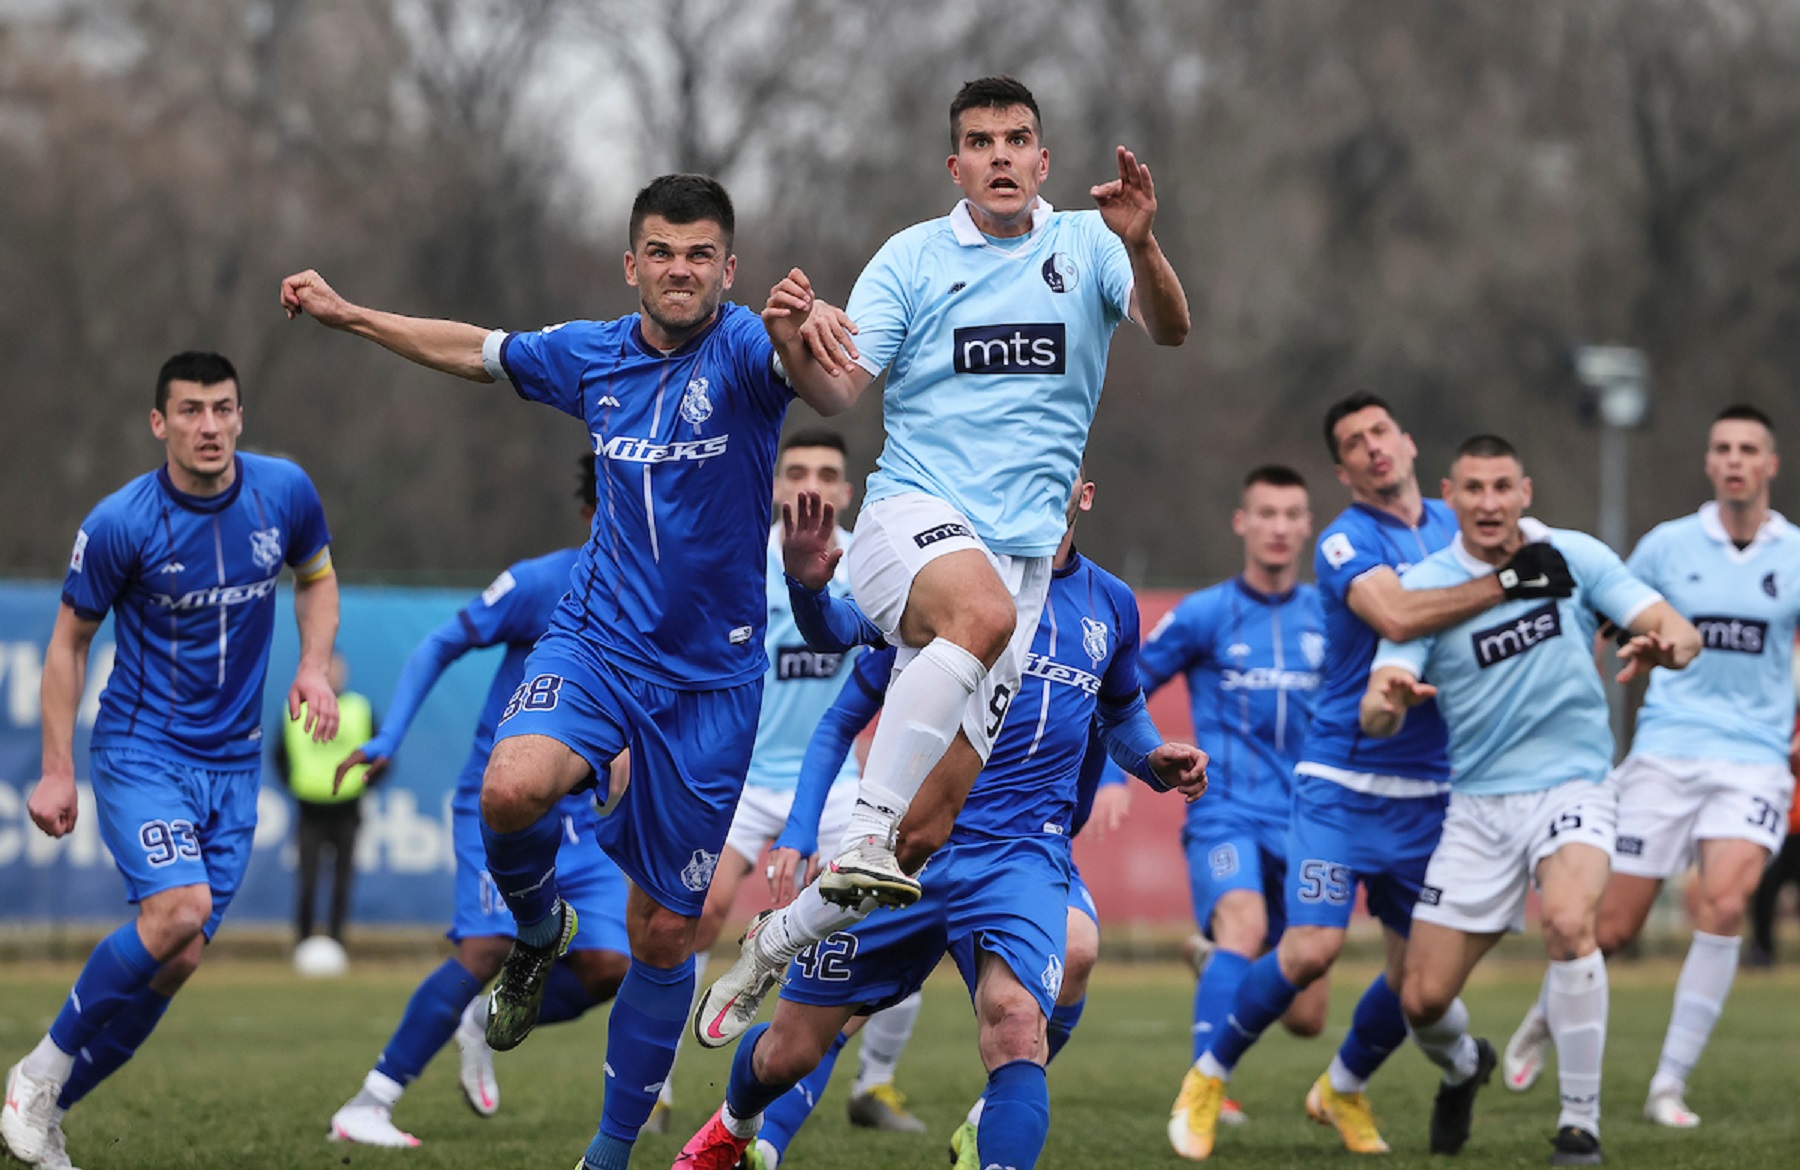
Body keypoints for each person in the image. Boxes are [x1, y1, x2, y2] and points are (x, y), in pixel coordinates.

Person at [278, 173, 859, 1170]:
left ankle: (609, 1153)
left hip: (710, 692)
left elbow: (831, 390)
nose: (681, 269)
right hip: (597, 646)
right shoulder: (589, 356)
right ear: (633, 263)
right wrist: (348, 314)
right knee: (510, 788)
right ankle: (536, 924)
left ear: (731, 267)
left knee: (663, 938)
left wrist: (809, 337)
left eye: (701, 254)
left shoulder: (749, 353)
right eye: (663, 253)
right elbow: (473, 349)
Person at [698, 71, 1192, 1048]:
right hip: (908, 525)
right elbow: (835, 395)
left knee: (929, 834)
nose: (1001, 155)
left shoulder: (1089, 246)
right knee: (976, 626)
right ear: (954, 164)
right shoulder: (914, 260)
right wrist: (796, 343)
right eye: (982, 140)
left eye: (1018, 139)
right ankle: (865, 830)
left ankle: (773, 943)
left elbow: (1171, 328)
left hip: (1016, 568)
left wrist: (1141, 241)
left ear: (1044, 161)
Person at [673, 471, 1208, 1170]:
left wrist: (1152, 760)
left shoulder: (1109, 603)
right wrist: (806, 588)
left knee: (1018, 1028)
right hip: (905, 851)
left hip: (1019, 855)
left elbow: (1122, 713)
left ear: (1083, 494)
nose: (1036, 491)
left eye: (1055, 479)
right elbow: (838, 632)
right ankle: (734, 1127)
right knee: (789, 1050)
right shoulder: (946, 577)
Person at [1168, 393, 1579, 1161]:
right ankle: (1207, 1076)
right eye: (1355, 442)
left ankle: (1344, 1088)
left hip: (1437, 790)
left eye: (1381, 432)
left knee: (1418, 977)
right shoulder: (1342, 540)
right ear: (1343, 468)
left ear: (1410, 443)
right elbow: (1394, 616)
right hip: (1342, 783)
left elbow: (1564, 578)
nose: (1372, 447)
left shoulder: (1466, 523)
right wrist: (1511, 584)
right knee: (1311, 952)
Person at [1, 352, 339, 1170]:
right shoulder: (121, 523)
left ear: (241, 415)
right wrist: (55, 767)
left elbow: (318, 578)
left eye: (222, 408)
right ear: (160, 425)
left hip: (235, 766)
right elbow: (66, 644)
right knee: (179, 909)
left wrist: (312, 665)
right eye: (189, 411)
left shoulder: (284, 492)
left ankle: (45, 1116)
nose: (209, 426)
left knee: (178, 956)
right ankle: (34, 1076)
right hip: (141, 750)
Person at [1361, 434, 1699, 1163]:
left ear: (1526, 493)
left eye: (1502, 488)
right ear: (1447, 496)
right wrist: (1388, 704)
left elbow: (1679, 631)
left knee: (1572, 924)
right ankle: (1464, 1066)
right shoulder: (1422, 584)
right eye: (1474, 489)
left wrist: (1662, 648)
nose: (1489, 503)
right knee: (1420, 999)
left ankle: (1581, 1127)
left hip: (1574, 783)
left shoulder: (1573, 556)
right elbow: (1375, 708)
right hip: (1478, 808)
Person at [1504, 403, 1800, 1128]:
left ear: (1770, 465)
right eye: (1722, 447)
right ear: (1708, 463)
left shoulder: (1794, 552)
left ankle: (1669, 1082)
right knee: (1610, 928)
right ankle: (1544, 1017)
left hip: (1754, 758)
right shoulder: (1667, 546)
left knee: (1725, 903)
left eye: (1748, 448)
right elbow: (1610, 611)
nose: (1734, 459)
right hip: (1665, 750)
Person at [324, 456, 632, 1148]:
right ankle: (368, 1104)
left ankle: (484, 1018)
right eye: (619, 507)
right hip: (508, 806)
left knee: (610, 966)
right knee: (490, 943)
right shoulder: (539, 582)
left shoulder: (659, 600)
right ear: (591, 515)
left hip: (587, 820)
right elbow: (442, 641)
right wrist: (391, 733)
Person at [652, 430, 926, 1137]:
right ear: (776, 487)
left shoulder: (876, 559)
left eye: (828, 473)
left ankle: (877, 1085)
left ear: (847, 489)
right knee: (695, 915)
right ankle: (655, 1083)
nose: (811, 483)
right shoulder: (739, 556)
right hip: (741, 777)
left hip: (838, 782)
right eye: (796, 471)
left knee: (894, 917)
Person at [1138, 465, 1330, 1128]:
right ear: (1242, 523)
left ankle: (1213, 957)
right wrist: (1116, 770)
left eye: (1291, 514)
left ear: (1307, 525)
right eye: (1266, 513)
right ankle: (1206, 1089)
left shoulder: (1328, 618)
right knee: (1244, 925)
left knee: (1307, 1016)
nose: (1279, 527)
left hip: (1307, 825)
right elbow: (1122, 687)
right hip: (1226, 811)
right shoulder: (1205, 614)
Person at [277, 650, 378, 946]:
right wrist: (296, 784)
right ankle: (303, 941)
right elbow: (279, 755)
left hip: (348, 809)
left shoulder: (360, 708)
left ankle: (336, 942)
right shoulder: (296, 708)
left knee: (342, 883)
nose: (334, 675)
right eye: (328, 669)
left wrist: (362, 785)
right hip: (309, 809)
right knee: (307, 880)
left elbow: (380, 755)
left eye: (338, 669)